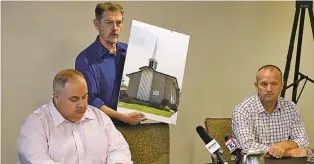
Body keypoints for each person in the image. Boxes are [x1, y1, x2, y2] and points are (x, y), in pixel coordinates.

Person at [17, 69, 133, 164]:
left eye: (85, 97)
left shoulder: (99, 117)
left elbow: (118, 148)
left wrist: (118, 162)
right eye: (74, 99)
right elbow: (36, 160)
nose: (82, 104)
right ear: (56, 97)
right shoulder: (36, 124)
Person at [75, 1, 146, 125]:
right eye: (109, 22)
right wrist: (123, 117)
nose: (115, 28)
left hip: (134, 125)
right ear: (97, 24)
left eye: (118, 23)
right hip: (102, 129)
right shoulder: (84, 60)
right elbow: (92, 101)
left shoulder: (131, 52)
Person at [232, 64, 310, 159]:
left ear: (281, 86)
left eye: (274, 84)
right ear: (256, 86)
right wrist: (289, 153)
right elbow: (247, 146)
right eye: (264, 84)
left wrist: (285, 145)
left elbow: (304, 140)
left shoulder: (291, 107)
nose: (269, 89)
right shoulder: (242, 110)